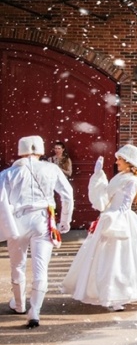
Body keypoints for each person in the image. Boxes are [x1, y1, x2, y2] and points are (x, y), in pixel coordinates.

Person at [61, 146, 137, 311]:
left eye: (120, 159)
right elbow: (106, 198)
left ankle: (115, 294)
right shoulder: (125, 177)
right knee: (116, 258)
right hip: (116, 217)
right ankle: (114, 292)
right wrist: (99, 177)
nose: (116, 161)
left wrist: (98, 177)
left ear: (128, 161)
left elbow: (105, 199)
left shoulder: (129, 180)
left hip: (117, 219)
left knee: (115, 259)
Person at [0, 135, 73, 328]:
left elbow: (1, 201)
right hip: (43, 219)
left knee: (18, 265)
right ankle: (35, 311)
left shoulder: (8, 173)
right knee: (41, 268)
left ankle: (19, 304)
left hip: (17, 220)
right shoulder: (52, 169)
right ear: (40, 150)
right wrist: (64, 221)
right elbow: (67, 195)